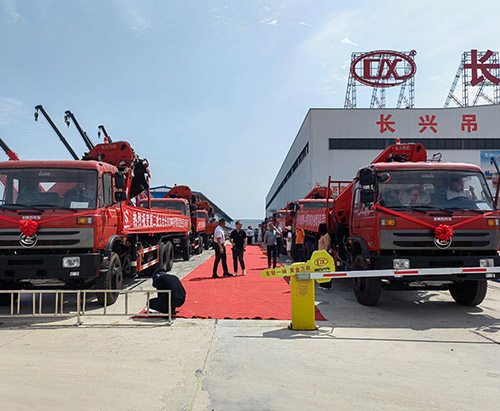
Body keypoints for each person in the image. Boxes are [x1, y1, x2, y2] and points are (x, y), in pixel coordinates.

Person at [318, 223, 332, 289]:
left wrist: (325, 253)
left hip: (325, 255)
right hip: (320, 255)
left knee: (326, 270)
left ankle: (327, 285)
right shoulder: (322, 236)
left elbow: (327, 245)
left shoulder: (326, 235)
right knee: (321, 270)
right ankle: (322, 284)